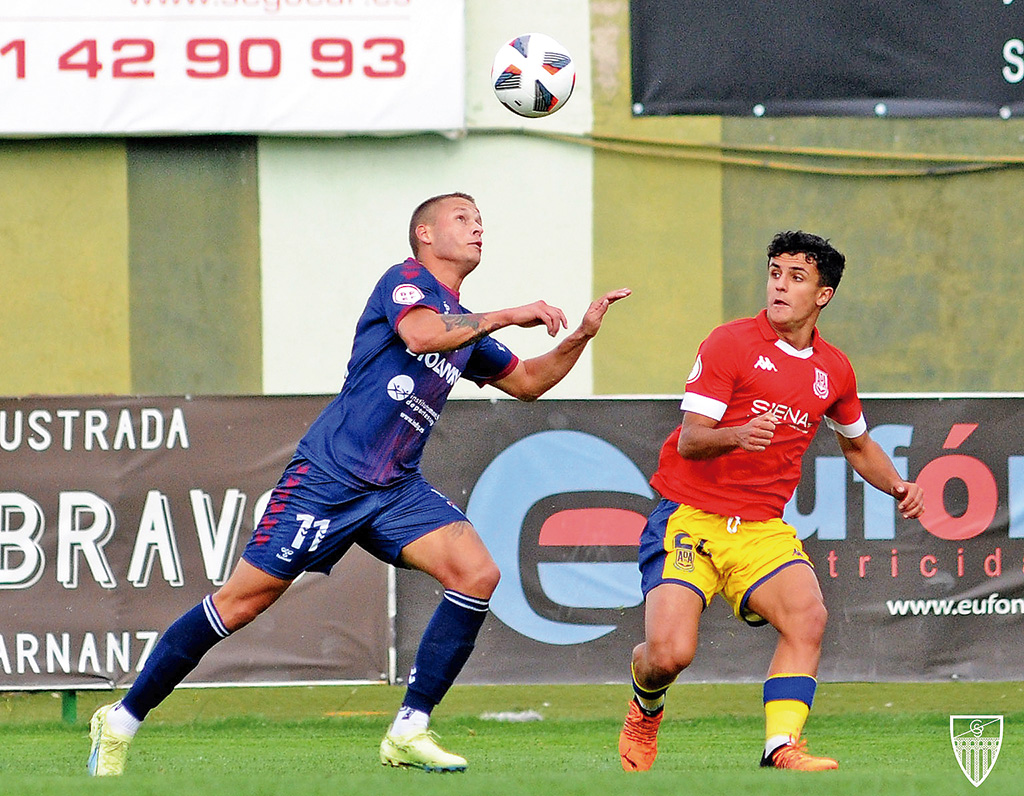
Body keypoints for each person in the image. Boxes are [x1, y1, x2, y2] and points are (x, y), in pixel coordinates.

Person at [87, 191, 631, 776]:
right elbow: (421, 336)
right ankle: (120, 720)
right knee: (240, 604)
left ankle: (410, 729)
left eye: (481, 222)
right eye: (463, 219)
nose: (478, 230)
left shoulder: (462, 326)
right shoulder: (404, 282)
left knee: (478, 573)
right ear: (424, 233)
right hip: (330, 476)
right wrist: (510, 314)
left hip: (395, 488)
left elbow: (526, 382)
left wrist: (581, 336)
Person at [618, 230, 924, 773]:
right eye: (774, 273)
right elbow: (691, 439)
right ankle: (645, 705)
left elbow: (856, 444)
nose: (779, 285)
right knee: (669, 655)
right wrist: (738, 435)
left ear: (823, 295)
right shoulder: (729, 343)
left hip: (760, 528)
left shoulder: (834, 369)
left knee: (808, 617)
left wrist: (899, 486)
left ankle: (780, 747)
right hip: (690, 518)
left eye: (796, 277)